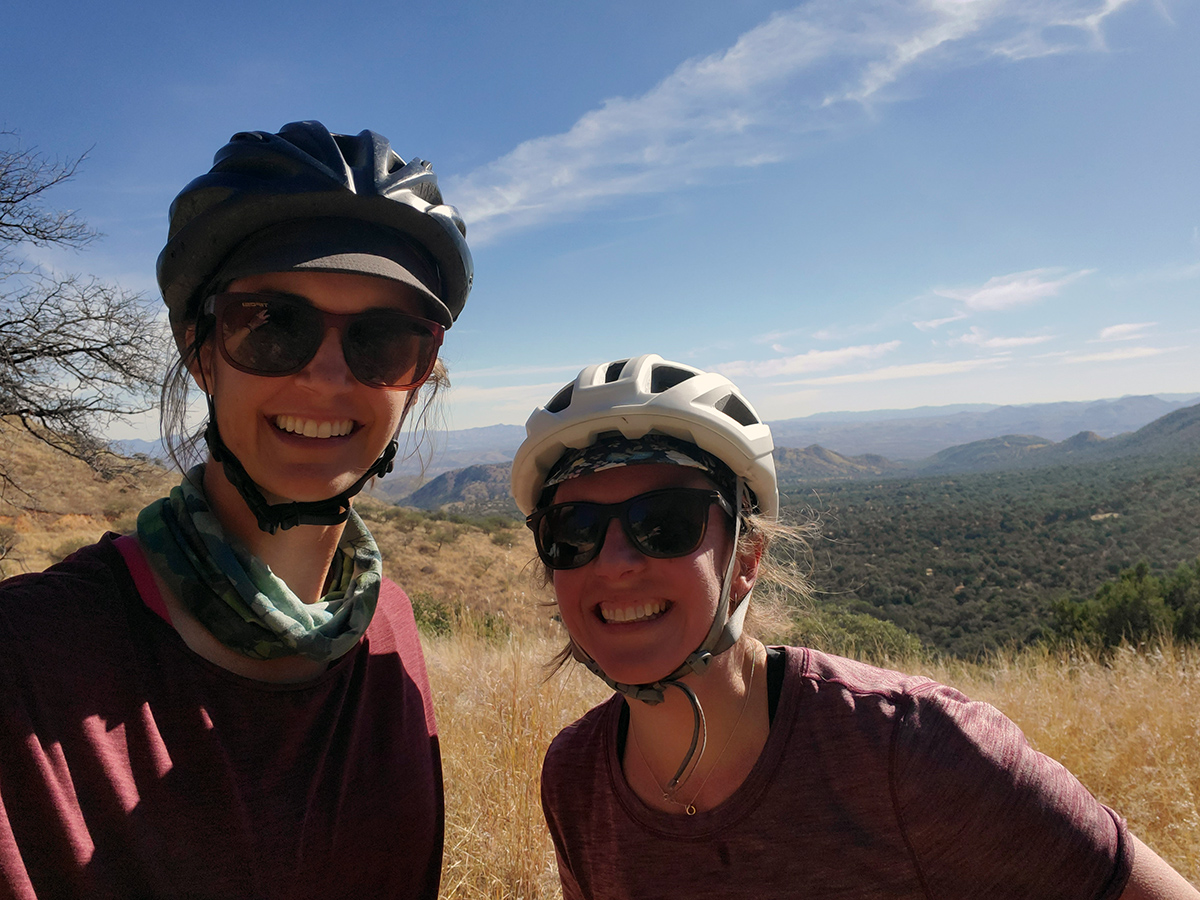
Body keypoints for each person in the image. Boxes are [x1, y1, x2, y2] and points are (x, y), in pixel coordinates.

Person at [509, 353, 1198, 900]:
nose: (617, 561)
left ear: (746, 559)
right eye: (575, 531)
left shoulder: (911, 746)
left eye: (665, 523)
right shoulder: (576, 777)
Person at [0, 122, 472, 899]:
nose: (326, 377)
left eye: (382, 340)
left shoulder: (391, 631)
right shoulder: (29, 659)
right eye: (272, 324)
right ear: (202, 351)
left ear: (416, 376)